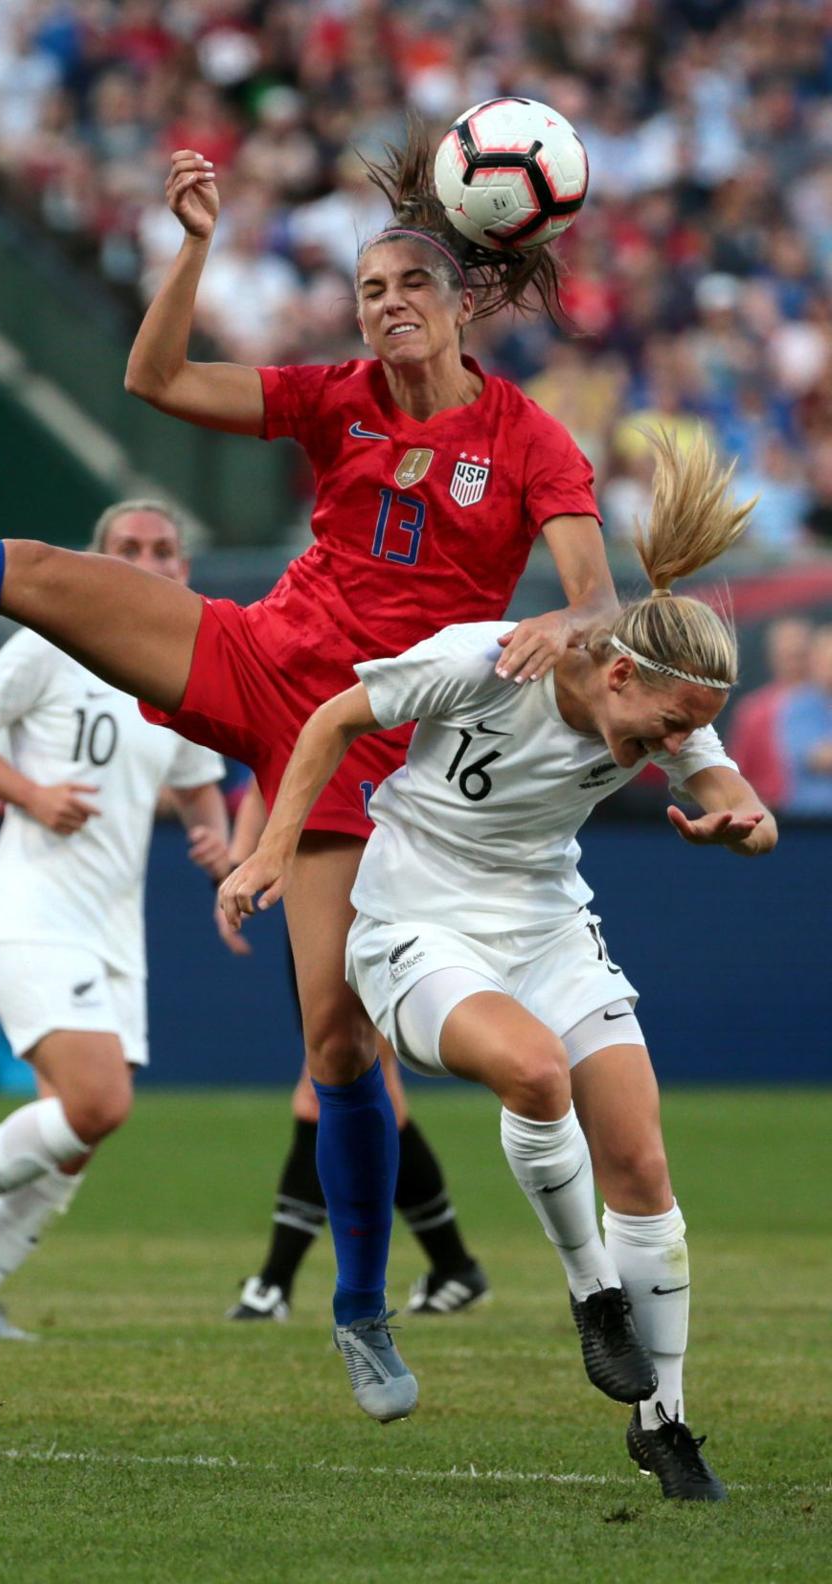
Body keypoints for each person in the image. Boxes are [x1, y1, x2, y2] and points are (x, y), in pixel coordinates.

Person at [0, 121, 619, 1420]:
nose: (386, 306)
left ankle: (357, 1311)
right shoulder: (335, 396)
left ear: (461, 306)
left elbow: (595, 600)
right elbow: (154, 378)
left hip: (367, 742)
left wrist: (572, 624)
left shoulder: (527, 445)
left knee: (337, 1047)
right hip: (252, 654)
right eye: (370, 289)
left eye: (409, 289)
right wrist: (195, 246)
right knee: (39, 575)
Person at [217, 433, 775, 1500]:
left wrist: (737, 828)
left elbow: (743, 809)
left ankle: (665, 1423)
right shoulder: (489, 660)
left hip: (547, 923)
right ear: (617, 672)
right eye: (667, 725)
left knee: (644, 1164)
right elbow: (335, 716)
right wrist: (275, 848)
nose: (673, 744)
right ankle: (590, 1293)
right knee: (533, 1073)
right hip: (415, 921)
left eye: (687, 732)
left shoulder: (667, 709)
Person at [0, 500, 228, 1339]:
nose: (148, 562)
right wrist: (32, 793)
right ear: (96, 559)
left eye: (164, 550)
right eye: (128, 549)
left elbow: (195, 782)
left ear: (184, 569)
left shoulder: (182, 671)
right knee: (97, 1102)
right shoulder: (52, 639)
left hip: (117, 928)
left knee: (74, 1135)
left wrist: (217, 836)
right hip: (35, 910)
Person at [220, 778, 488, 1322]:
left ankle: (274, 1283)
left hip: (383, 903)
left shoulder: (391, 701)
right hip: (318, 903)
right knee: (362, 1088)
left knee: (335, 1085)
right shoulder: (315, 710)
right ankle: (454, 1266)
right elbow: (264, 781)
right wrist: (239, 863)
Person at [726, 616, 812, 808]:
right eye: (787, 655)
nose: (794, 663)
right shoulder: (753, 712)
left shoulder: (825, 705)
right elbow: (738, 775)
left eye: (800, 654)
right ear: (772, 657)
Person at [777, 623, 832, 816]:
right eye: (826, 660)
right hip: (809, 823)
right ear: (814, 662)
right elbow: (817, 758)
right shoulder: (797, 707)